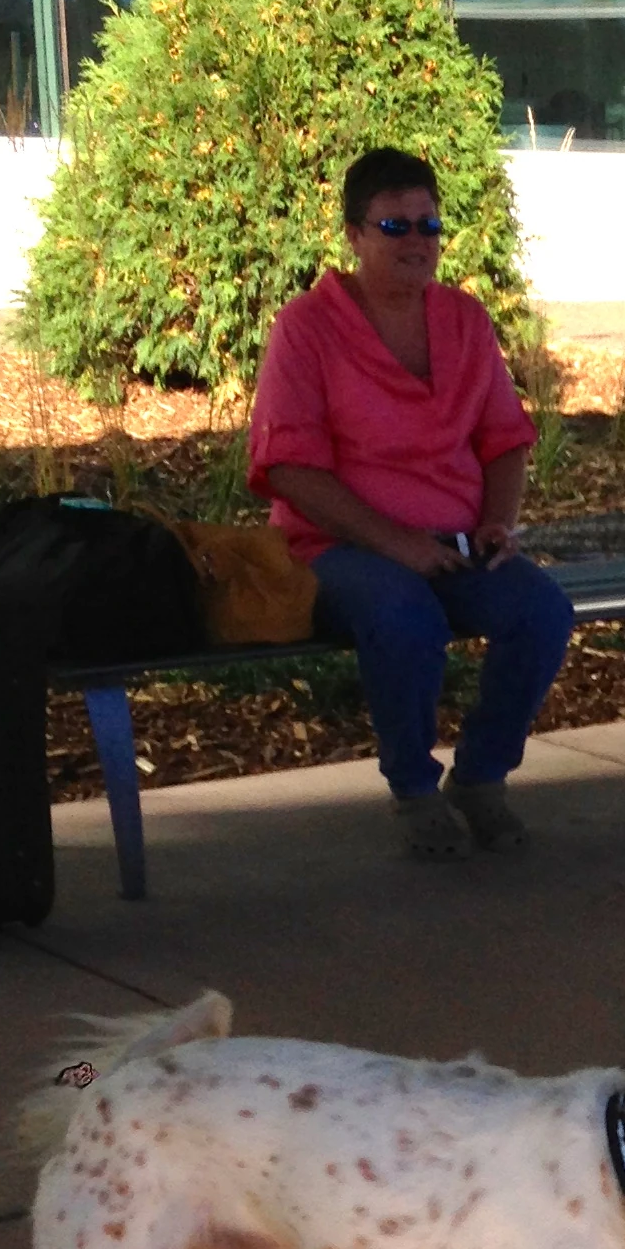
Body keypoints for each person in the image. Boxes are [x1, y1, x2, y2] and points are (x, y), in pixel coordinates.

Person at [248, 146, 574, 857]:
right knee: (405, 617)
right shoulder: (305, 327)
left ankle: (482, 778)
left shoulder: (464, 318)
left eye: (428, 226)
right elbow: (291, 469)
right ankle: (414, 789)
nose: (416, 243)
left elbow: (504, 438)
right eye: (394, 228)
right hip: (338, 548)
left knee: (542, 611)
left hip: (453, 541)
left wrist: (498, 523)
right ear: (354, 235)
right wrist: (398, 545)